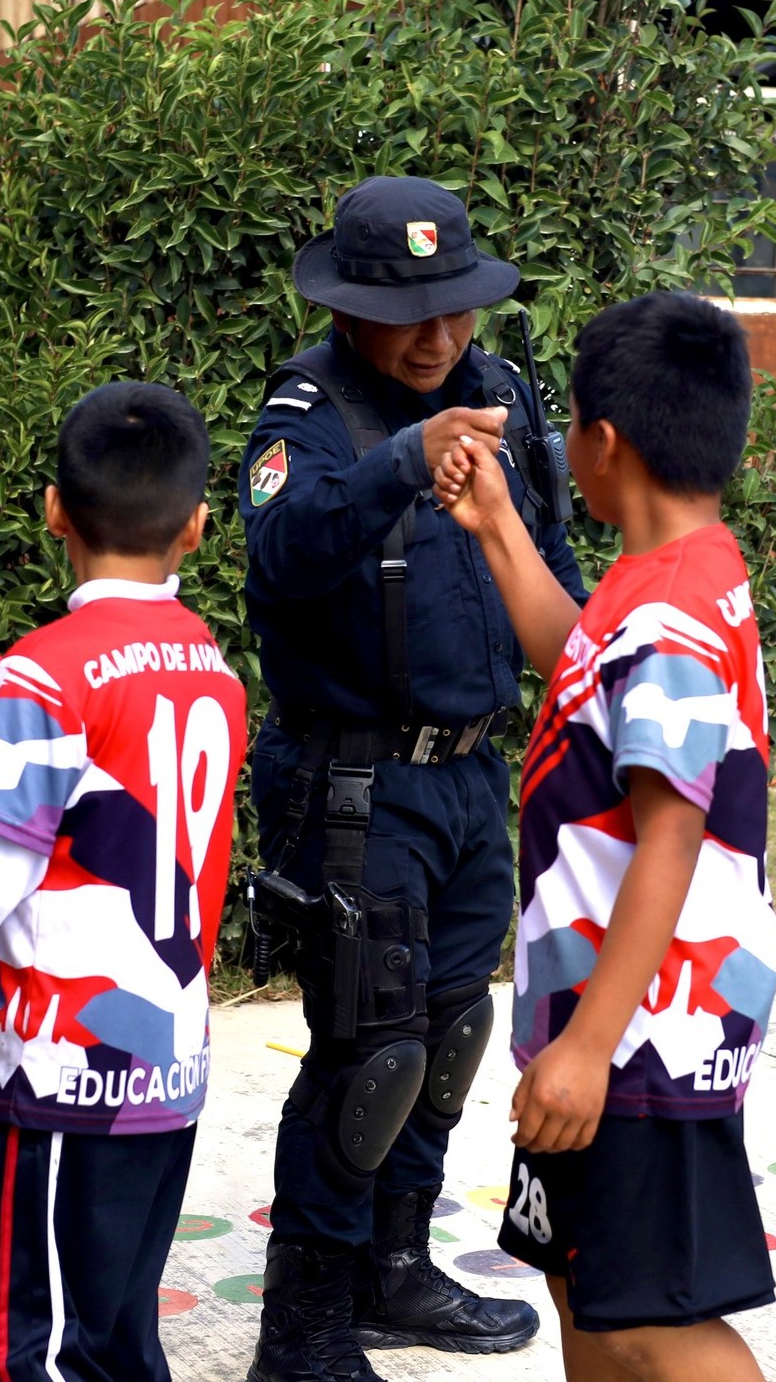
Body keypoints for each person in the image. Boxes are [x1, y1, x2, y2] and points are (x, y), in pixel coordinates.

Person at [238, 173, 588, 1382]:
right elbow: (277, 557)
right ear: (349, 309)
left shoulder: (500, 391)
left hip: (470, 776)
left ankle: (396, 1268)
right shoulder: (307, 409)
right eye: (412, 313)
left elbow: (552, 559)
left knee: (445, 1034)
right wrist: (401, 459)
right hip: (354, 785)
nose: (440, 337)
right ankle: (305, 1327)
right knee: (366, 1054)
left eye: (458, 308)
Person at [433, 290, 776, 1382]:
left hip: (643, 1030)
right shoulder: (657, 586)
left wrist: (586, 1045)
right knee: (582, 1283)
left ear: (601, 439)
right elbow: (580, 666)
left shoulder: (671, 618)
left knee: (646, 1318)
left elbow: (669, 836)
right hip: (605, 1016)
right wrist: (496, 523)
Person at [0, 382, 248, 1382]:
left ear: (54, 508)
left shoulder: (39, 676)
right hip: (168, 1065)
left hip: (60, 1072)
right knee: (120, 1331)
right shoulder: (212, 665)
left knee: (41, 1349)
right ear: (196, 524)